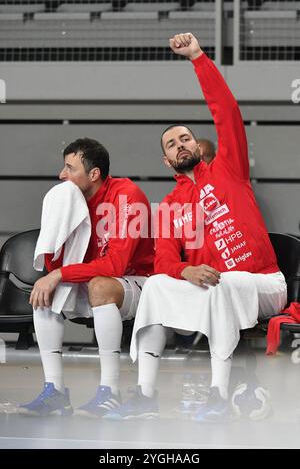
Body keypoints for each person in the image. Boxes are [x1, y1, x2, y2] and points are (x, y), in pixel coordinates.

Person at [104, 33, 287, 422]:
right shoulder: (170, 205)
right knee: (154, 284)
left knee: (223, 283)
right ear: (167, 161)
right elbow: (165, 258)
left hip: (264, 285)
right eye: (172, 143)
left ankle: (219, 394)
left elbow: (227, 111)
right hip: (211, 288)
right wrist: (184, 270)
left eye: (185, 137)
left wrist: (198, 58)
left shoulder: (228, 170)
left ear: (199, 148)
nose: (180, 144)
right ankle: (145, 393)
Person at [19, 137, 154, 417]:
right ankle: (54, 390)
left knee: (100, 285)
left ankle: (110, 391)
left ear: (94, 174)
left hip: (142, 283)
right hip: (97, 283)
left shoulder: (127, 195)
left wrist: (60, 273)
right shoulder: (70, 199)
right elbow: (56, 260)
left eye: (70, 168)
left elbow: (116, 264)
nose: (61, 176)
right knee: (44, 293)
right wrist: (54, 268)